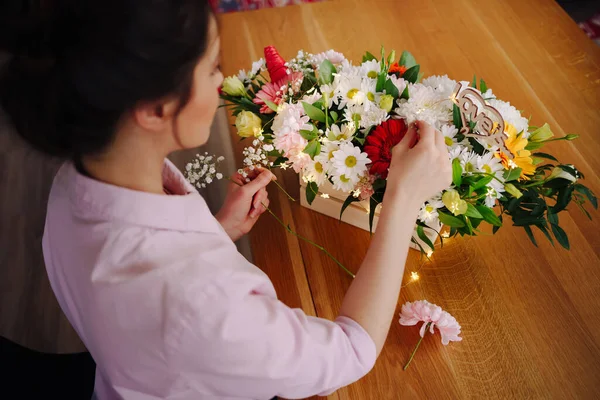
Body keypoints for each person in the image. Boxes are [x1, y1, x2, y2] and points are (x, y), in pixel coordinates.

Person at [0, 1, 451, 399]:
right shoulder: (202, 307)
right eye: (213, 66)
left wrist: (216, 231)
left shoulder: (75, 182)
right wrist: (403, 199)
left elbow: (146, 292)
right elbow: (350, 351)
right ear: (155, 108)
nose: (222, 79)